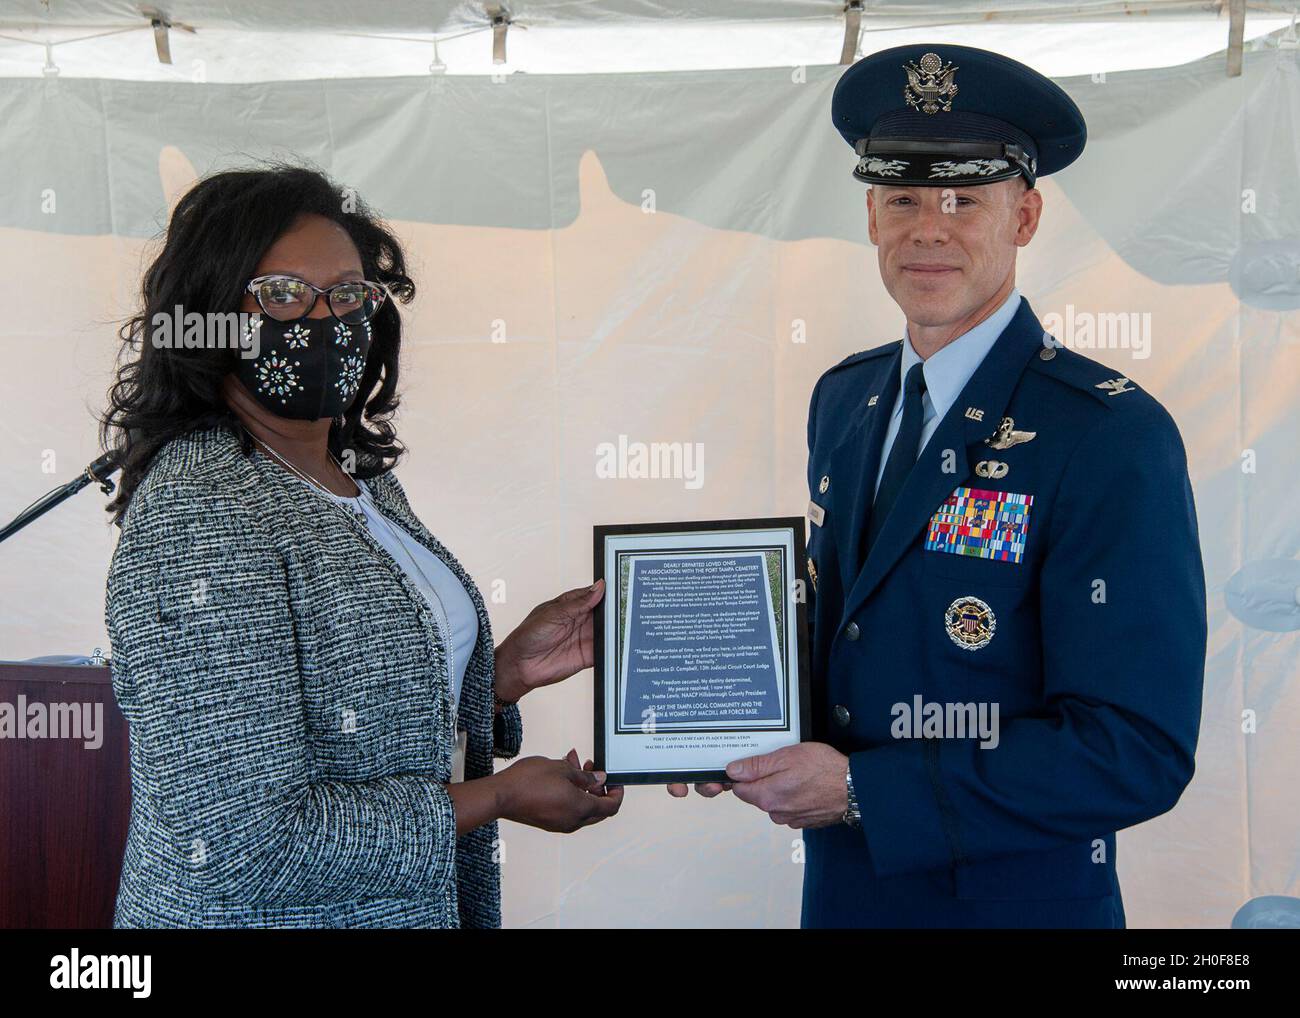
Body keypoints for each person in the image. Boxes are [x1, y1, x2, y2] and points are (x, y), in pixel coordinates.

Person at [670, 44, 1206, 928]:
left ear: (1025, 218)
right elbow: (849, 629)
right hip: (846, 894)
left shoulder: (1109, 433)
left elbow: (1134, 749)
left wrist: (865, 792)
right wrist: (719, 720)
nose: (930, 228)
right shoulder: (844, 397)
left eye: (964, 199)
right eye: (904, 198)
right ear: (871, 217)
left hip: (1011, 904)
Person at [102, 164, 621, 929]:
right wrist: (501, 795)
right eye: (282, 295)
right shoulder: (203, 509)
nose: (324, 319)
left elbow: (358, 707)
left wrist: (502, 674)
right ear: (210, 314)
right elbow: (244, 844)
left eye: (348, 295)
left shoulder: (359, 480)